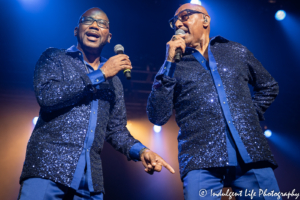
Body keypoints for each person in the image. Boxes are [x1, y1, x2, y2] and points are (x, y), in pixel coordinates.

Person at [18, 7, 175, 200]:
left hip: (89, 181)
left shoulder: (114, 81)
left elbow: (116, 130)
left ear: (109, 37)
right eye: (88, 20)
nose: (94, 25)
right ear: (76, 30)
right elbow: (48, 96)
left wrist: (142, 151)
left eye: (101, 23)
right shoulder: (55, 57)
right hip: (47, 170)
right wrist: (100, 74)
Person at [147, 3, 281, 200]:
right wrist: (169, 64)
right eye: (174, 21)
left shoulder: (235, 51)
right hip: (199, 159)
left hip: (251, 154)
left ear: (205, 20)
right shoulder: (173, 65)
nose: (178, 23)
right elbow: (157, 116)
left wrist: (248, 115)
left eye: (184, 16)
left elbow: (269, 86)